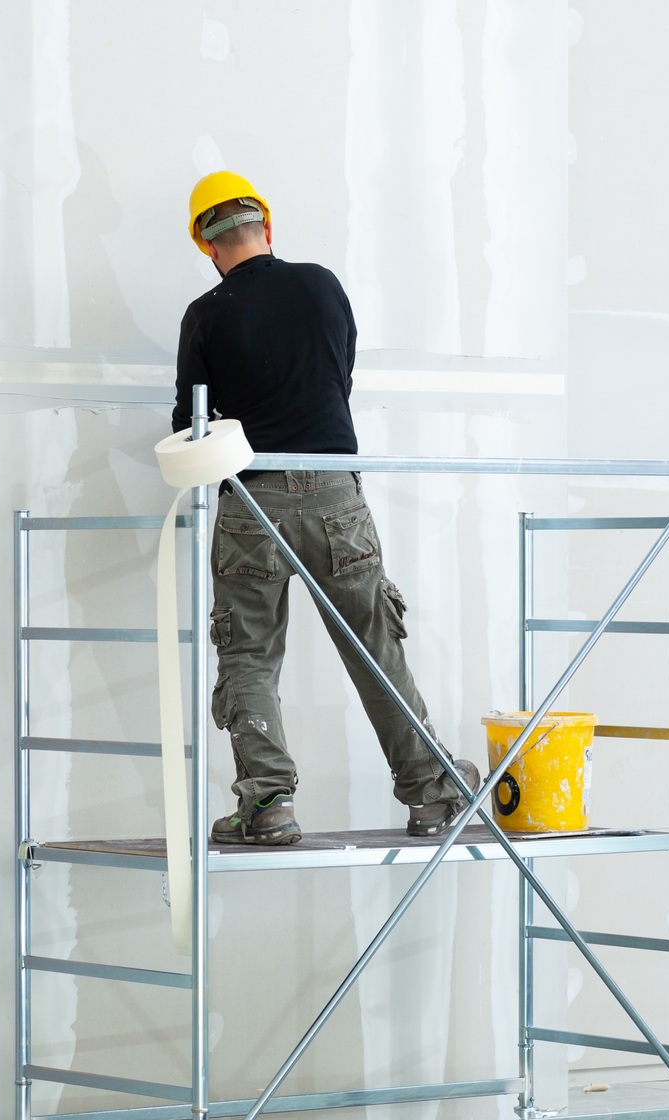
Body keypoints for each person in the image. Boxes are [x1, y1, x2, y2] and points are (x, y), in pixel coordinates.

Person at [173, 170, 477, 847]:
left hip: (253, 497)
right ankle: (430, 793)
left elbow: (190, 425)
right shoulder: (322, 286)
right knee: (373, 645)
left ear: (208, 245)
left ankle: (267, 802)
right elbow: (338, 379)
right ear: (268, 228)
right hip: (337, 493)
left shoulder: (207, 314)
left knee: (248, 653)